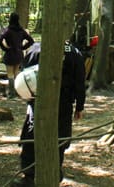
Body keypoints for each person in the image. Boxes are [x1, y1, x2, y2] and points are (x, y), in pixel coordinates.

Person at [12, 41, 86, 186]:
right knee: (59, 137)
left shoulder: (37, 48)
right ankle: (53, 172)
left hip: (39, 100)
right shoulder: (74, 52)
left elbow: (24, 73)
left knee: (32, 134)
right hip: (63, 103)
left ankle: (29, 174)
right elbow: (80, 82)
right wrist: (79, 106)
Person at [0, 12, 35, 97]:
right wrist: (23, 48)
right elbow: (31, 41)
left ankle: (12, 93)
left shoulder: (8, 30)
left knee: (10, 74)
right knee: (16, 73)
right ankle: (18, 91)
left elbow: (0, 40)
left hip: (10, 54)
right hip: (19, 54)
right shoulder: (21, 30)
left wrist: (5, 48)